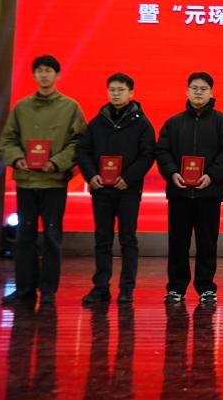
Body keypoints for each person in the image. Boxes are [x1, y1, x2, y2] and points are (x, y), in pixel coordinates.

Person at [0, 54, 86, 305]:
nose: (44, 75)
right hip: (26, 181)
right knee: (24, 237)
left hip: (54, 182)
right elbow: (7, 140)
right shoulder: (22, 107)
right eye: (39, 71)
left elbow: (79, 142)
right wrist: (17, 159)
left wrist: (57, 162)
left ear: (57, 75)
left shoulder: (70, 107)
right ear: (34, 75)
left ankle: (48, 291)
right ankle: (24, 289)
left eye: (49, 70)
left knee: (51, 237)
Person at [156, 72, 223, 305]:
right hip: (179, 193)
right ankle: (176, 287)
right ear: (187, 91)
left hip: (208, 193)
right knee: (177, 243)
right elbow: (162, 151)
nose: (198, 92)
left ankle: (206, 287)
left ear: (211, 92)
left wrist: (211, 175)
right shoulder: (173, 123)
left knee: (207, 243)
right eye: (194, 88)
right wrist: (172, 172)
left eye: (203, 88)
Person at [76, 73, 156, 305]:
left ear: (131, 93)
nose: (116, 94)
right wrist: (91, 175)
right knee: (102, 239)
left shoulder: (142, 124)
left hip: (128, 190)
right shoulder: (97, 122)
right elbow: (83, 150)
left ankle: (126, 289)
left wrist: (128, 178)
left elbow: (147, 154)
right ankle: (101, 287)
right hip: (101, 190)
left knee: (128, 239)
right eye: (112, 90)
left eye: (121, 90)